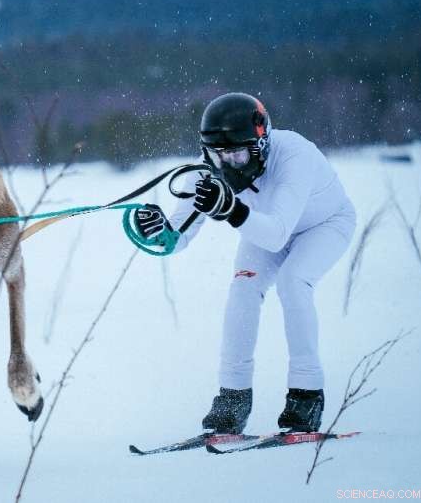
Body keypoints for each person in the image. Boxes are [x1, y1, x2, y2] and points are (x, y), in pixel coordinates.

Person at [135, 93, 356, 434]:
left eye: (237, 153)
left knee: (293, 282)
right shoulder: (211, 167)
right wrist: (159, 232)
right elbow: (178, 237)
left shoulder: (294, 155)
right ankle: (232, 400)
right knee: (243, 288)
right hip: (263, 226)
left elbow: (277, 234)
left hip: (323, 225)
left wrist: (231, 210)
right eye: (217, 154)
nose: (228, 164)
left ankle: (306, 395)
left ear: (261, 143)